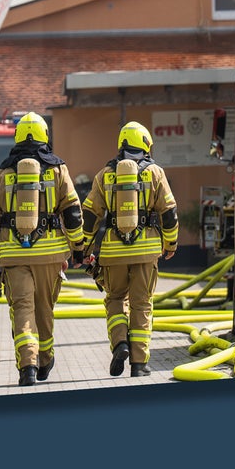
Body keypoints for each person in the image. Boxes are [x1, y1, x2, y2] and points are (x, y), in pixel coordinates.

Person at [0, 112, 86, 386]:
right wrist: (77, 247)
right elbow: (73, 212)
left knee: (22, 309)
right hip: (50, 255)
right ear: (44, 136)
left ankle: (27, 364)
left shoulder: (1, 173)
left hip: (13, 255)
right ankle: (46, 358)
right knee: (44, 309)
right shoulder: (58, 170)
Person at [81, 121, 177, 377]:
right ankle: (139, 364)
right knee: (141, 304)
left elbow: (90, 214)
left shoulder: (105, 175)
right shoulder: (155, 173)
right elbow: (169, 212)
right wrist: (171, 243)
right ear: (146, 144)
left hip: (113, 252)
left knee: (115, 299)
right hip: (146, 250)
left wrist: (82, 246)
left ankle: (120, 342)